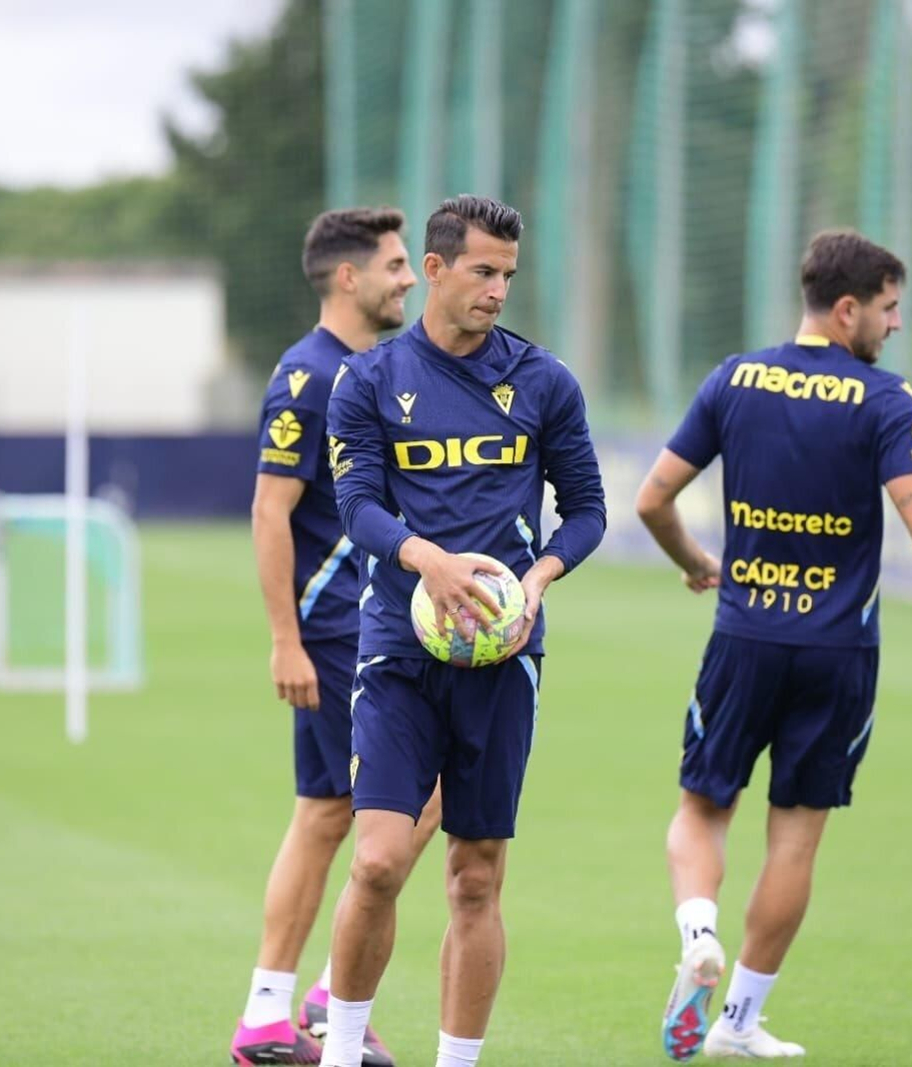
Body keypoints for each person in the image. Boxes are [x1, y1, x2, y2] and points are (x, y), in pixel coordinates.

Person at [635, 229, 912, 1060]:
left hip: (744, 636)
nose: (895, 326)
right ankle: (739, 1023)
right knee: (796, 835)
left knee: (702, 807)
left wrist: (695, 563)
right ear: (849, 307)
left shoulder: (733, 378)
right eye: (890, 308)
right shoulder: (885, 399)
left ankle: (698, 932)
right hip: (838, 654)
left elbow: (653, 500)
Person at [316, 194, 607, 1067]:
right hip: (399, 650)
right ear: (436, 268)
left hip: (504, 655)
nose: (497, 290)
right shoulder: (367, 380)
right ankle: (339, 1052)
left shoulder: (545, 382)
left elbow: (586, 510)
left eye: (509, 275)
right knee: (374, 862)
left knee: (475, 875)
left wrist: (540, 578)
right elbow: (357, 503)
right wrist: (428, 561)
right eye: (483, 271)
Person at [231, 207, 440, 1067]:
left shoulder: (383, 367)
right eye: (395, 265)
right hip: (334, 630)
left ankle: (279, 1015)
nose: (408, 279)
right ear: (348, 277)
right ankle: (306, 1002)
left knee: (326, 814)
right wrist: (285, 638)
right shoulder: (307, 376)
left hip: (376, 623)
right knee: (423, 793)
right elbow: (270, 510)